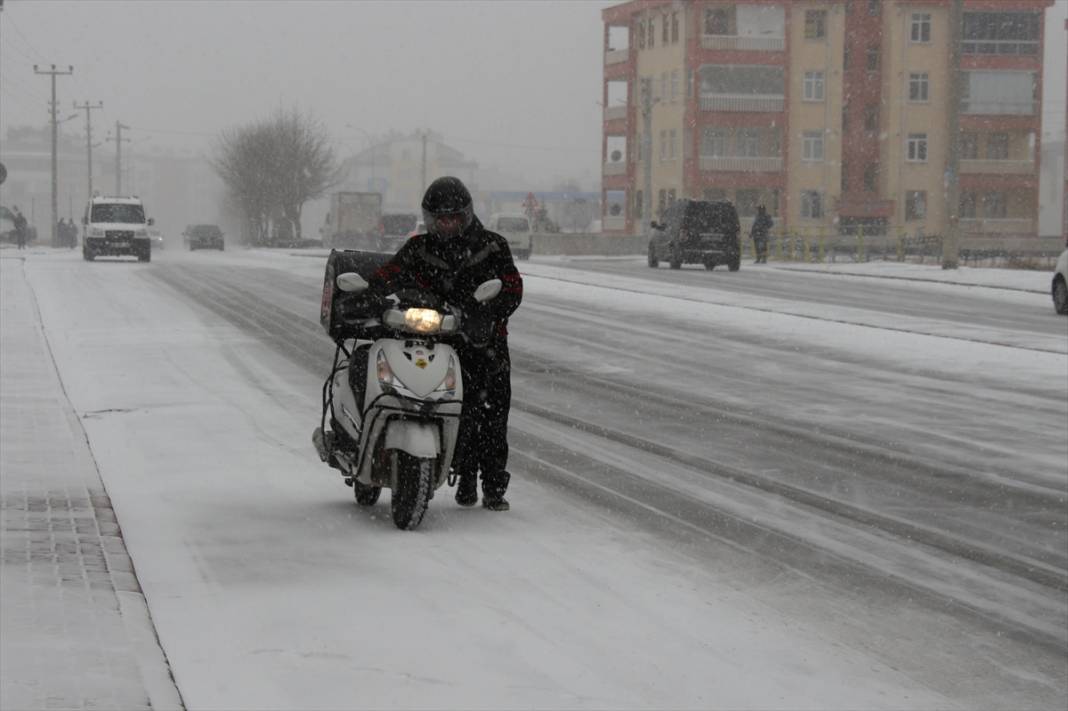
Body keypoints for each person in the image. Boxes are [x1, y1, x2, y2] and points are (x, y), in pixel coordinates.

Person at [366, 176, 523, 511]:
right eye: (441, 218)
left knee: (493, 417)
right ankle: (460, 477)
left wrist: (489, 313)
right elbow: (387, 275)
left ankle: (493, 486)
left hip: (486, 345)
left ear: (466, 215)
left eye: (453, 217)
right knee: (454, 412)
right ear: (430, 218)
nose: (447, 224)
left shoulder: (492, 247)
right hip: (436, 343)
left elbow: (512, 287)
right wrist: (373, 296)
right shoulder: (418, 248)